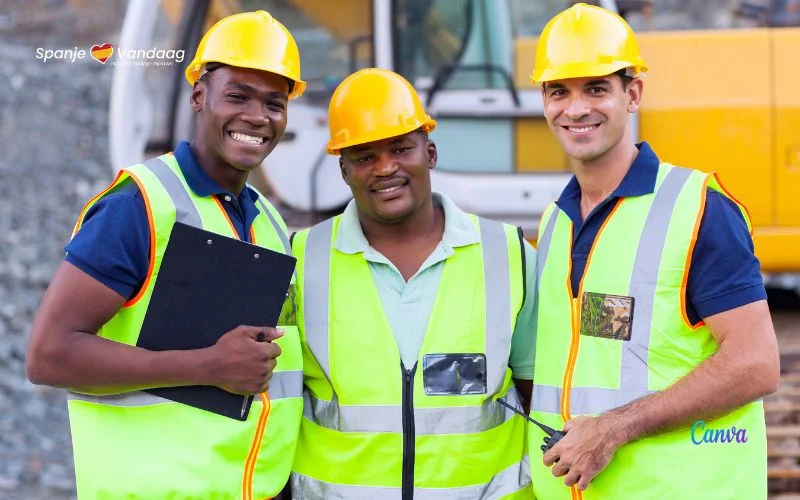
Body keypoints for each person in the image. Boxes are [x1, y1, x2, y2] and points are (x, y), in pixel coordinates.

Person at [26, 11, 305, 499]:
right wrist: (206, 366)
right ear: (198, 95)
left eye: (274, 103)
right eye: (238, 95)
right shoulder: (139, 207)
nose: (257, 116)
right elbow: (49, 356)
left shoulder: (270, 223)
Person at [526, 4, 780, 499]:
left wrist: (613, 429)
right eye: (559, 91)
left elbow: (756, 363)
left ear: (633, 93)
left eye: (597, 88)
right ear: (544, 101)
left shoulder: (698, 208)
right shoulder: (555, 221)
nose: (575, 109)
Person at [289, 68, 537, 499]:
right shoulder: (299, 260)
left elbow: (542, 394)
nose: (386, 168)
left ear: (431, 153)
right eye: (364, 156)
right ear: (343, 169)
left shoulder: (508, 253)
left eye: (402, 149)